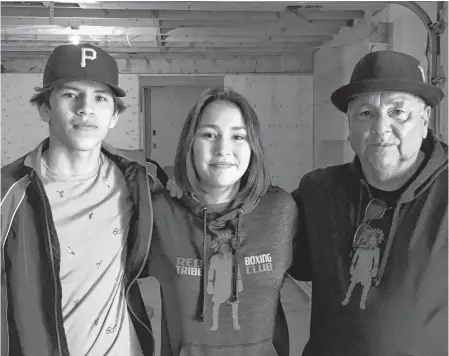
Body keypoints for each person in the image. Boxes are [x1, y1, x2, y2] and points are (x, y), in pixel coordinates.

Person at [1, 43, 162, 356]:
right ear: (44, 107)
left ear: (114, 115)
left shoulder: (138, 182)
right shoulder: (9, 191)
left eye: (100, 98)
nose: (85, 107)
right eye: (70, 94)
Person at [289, 51, 447, 356]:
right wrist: (188, 192)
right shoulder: (318, 192)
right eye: (366, 113)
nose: (380, 127)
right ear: (350, 124)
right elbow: (256, 228)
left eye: (398, 112)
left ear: (425, 118)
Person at [148, 88, 298, 356]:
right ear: (189, 143)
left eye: (238, 136)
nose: (223, 149)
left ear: (252, 146)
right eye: (209, 135)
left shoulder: (282, 210)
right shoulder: (159, 212)